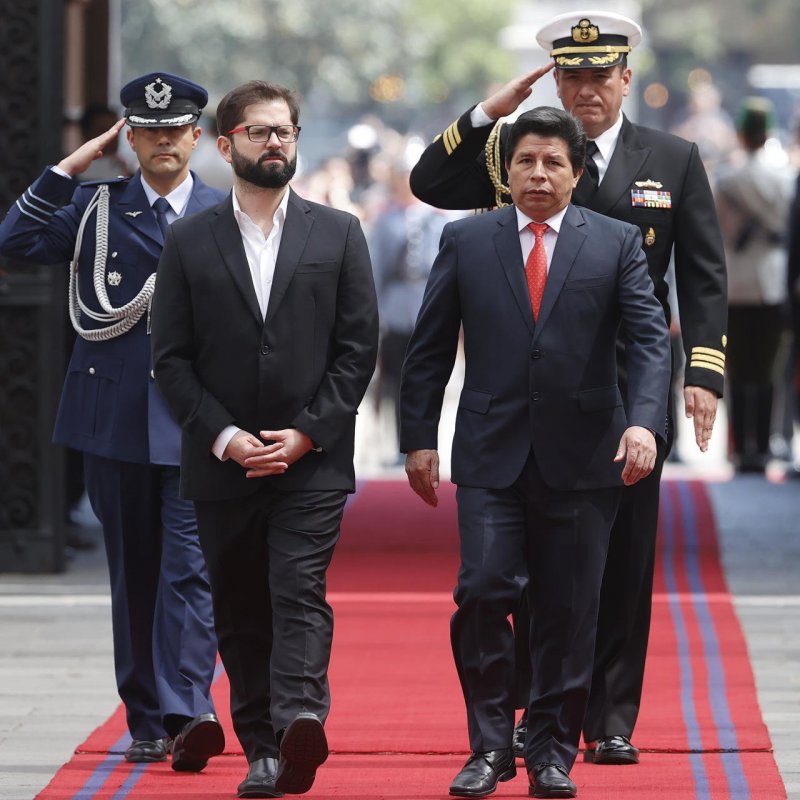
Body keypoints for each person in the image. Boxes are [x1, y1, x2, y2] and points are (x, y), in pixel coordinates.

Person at [409, 9, 727, 765]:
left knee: (620, 562)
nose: (586, 89)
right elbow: (430, 181)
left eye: (600, 76)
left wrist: (703, 372)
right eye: (572, 76)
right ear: (555, 81)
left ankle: (609, 716)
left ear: (626, 79)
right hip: (530, 390)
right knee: (522, 566)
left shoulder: (671, 158)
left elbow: (703, 273)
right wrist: (490, 112)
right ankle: (534, 709)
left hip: (630, 387)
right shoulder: (516, 151)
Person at [400, 106, 671, 799]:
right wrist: (418, 438)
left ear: (577, 174)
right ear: (508, 171)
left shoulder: (615, 242)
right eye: (526, 161)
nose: (539, 174)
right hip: (490, 454)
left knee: (568, 609)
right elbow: (429, 346)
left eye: (554, 162)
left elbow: (648, 341)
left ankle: (551, 751)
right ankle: (489, 747)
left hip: (586, 457)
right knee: (483, 590)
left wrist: (645, 423)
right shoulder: (467, 239)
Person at [150, 80, 378, 798]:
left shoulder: (338, 233)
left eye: (285, 131)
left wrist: (308, 433)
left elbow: (357, 350)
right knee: (241, 602)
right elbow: (170, 360)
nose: (275, 141)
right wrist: (224, 437)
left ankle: (299, 718)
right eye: (259, 131)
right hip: (223, 464)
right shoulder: (189, 240)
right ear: (226, 146)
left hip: (312, 461)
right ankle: (262, 751)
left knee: (298, 588)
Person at [0, 73, 226, 769]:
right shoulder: (95, 207)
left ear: (196, 136)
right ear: (129, 138)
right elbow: (15, 237)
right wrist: (73, 165)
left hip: (197, 422)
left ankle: (189, 709)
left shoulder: (224, 211)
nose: (163, 142)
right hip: (116, 418)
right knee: (135, 573)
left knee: (190, 569)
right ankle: (148, 717)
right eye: (148, 131)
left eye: (175, 129)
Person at [715, 98, 793, 473]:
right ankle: (762, 446)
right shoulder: (785, 179)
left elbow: (718, 232)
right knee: (767, 372)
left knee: (735, 371)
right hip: (773, 282)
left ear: (741, 134)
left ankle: (738, 449)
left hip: (735, 283)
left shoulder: (726, 180)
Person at [368, 158, 448, 459]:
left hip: (428, 303)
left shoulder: (438, 218)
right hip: (396, 306)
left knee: (429, 380)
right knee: (397, 381)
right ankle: (402, 444)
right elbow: (377, 268)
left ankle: (429, 442)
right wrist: (377, 315)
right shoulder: (386, 218)